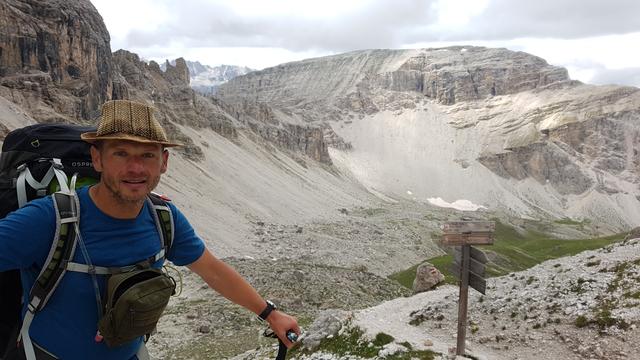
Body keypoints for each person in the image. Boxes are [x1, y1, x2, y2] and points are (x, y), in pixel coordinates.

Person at [0, 99, 299, 359]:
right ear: (96, 159)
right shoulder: (49, 219)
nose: (136, 168)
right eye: (120, 153)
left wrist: (269, 314)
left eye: (147, 155)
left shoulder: (163, 218)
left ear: (164, 162)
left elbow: (212, 270)